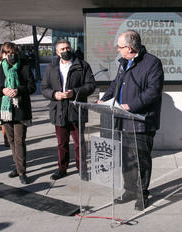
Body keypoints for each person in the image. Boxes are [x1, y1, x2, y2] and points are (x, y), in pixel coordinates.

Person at [98, 30, 164, 210]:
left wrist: (129, 106)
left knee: (141, 161)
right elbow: (115, 85)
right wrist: (104, 100)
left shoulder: (152, 63)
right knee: (126, 160)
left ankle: (142, 194)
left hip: (141, 122)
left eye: (119, 47)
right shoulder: (123, 63)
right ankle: (129, 191)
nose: (118, 50)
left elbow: (152, 92)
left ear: (128, 48)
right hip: (121, 121)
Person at [41, 39, 96, 181]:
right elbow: (44, 88)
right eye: (63, 49)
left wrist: (75, 92)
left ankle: (82, 169)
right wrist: (54, 94)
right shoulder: (51, 67)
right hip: (58, 110)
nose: (66, 51)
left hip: (76, 109)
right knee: (61, 143)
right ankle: (62, 168)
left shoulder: (82, 65)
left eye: (68, 48)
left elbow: (90, 85)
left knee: (79, 143)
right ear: (57, 52)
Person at [0, 42, 36, 184]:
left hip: (20, 109)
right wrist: (3, 90)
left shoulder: (24, 66)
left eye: (14, 53)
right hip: (5, 110)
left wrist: (18, 90)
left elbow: (32, 86)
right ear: (3, 54)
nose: (11, 56)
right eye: (8, 53)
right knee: (11, 141)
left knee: (19, 141)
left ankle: (21, 171)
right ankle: (17, 166)